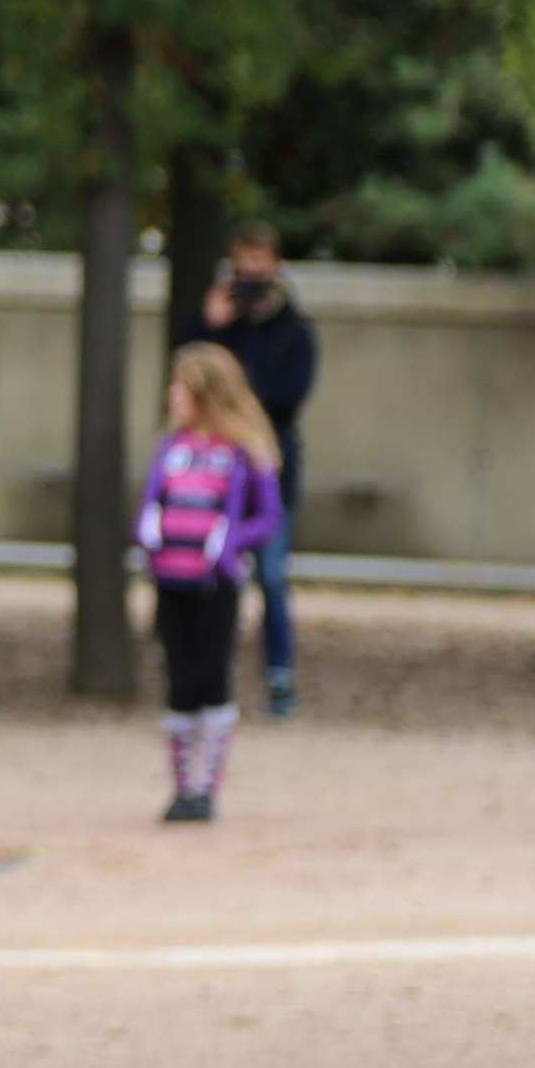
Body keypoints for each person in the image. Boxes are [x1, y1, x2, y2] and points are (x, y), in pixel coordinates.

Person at [136, 343, 284, 824]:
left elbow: (268, 516)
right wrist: (149, 529)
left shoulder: (244, 452)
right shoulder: (171, 448)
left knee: (210, 676)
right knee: (177, 677)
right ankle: (181, 787)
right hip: (170, 578)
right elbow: (152, 498)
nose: (171, 395)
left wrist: (230, 540)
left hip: (215, 584)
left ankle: (207, 786)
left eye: (180, 386)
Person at [181, 219, 318, 717]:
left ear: (275, 266)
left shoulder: (294, 330)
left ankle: (279, 676)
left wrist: (237, 399)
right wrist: (208, 327)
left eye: (260, 262)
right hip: (218, 474)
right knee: (217, 577)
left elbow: (288, 397)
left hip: (270, 472)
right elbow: (193, 383)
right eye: (245, 261)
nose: (252, 271)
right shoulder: (220, 327)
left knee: (273, 577)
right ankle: (211, 672)